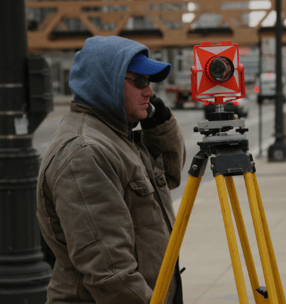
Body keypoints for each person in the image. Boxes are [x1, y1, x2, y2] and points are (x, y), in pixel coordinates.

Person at [36, 36, 186, 304]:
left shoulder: (118, 135)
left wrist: (159, 123)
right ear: (108, 83)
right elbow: (111, 274)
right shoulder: (85, 153)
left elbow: (170, 175)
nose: (149, 91)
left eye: (150, 83)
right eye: (140, 82)